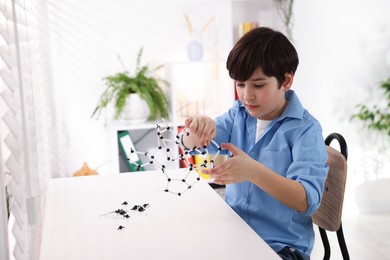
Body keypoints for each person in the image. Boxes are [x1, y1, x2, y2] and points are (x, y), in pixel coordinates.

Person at [182, 27, 328, 260]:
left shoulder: (305, 130)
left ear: (286, 80)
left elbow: (307, 200)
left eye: (258, 85)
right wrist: (196, 128)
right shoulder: (238, 114)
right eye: (240, 84)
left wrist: (254, 172)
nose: (247, 95)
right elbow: (192, 144)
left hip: (281, 249)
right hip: (235, 236)